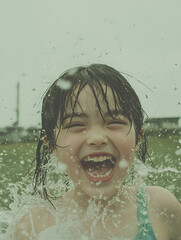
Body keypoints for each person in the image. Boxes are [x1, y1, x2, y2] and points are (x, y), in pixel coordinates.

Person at [6, 64, 181, 239]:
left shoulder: (160, 207)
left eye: (114, 122)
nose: (97, 138)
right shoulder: (33, 226)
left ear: (138, 137)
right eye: (76, 124)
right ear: (51, 145)